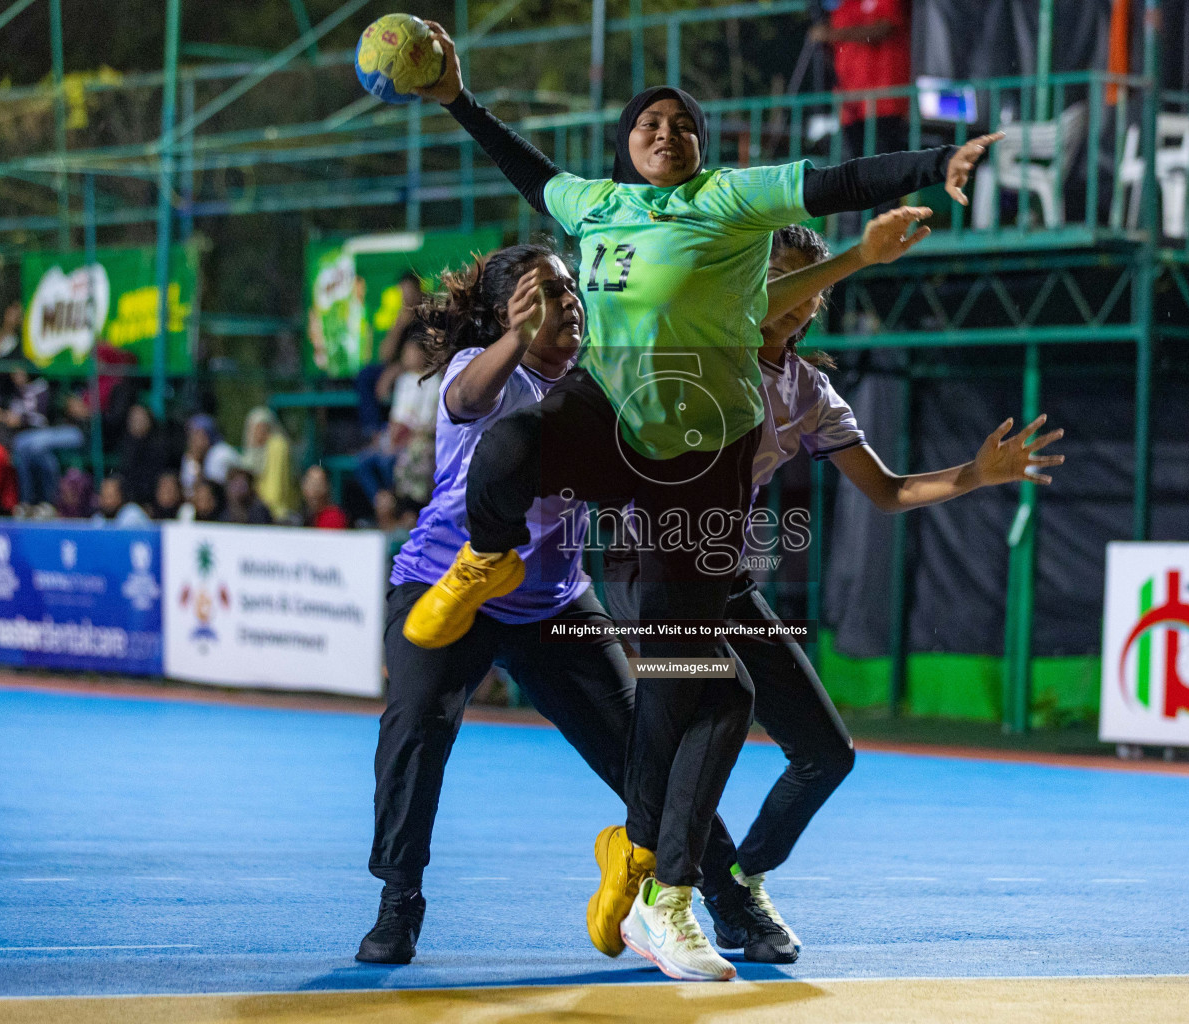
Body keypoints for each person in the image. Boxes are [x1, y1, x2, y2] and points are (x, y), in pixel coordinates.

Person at [402, 22, 999, 982]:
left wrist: (935, 163)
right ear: (625, 144)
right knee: (512, 441)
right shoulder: (593, 207)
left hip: (702, 462)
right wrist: (456, 99)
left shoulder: (730, 203)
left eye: (683, 123)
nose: (666, 130)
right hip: (615, 425)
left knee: (700, 689)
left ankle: (652, 875)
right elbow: (527, 166)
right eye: (650, 121)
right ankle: (485, 560)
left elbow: (837, 180)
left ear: (701, 145)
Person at [602, 214, 1065, 957]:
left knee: (826, 750)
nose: (792, 298)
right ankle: (667, 896)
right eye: (774, 279)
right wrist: (855, 256)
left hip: (722, 578)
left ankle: (738, 882)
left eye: (804, 290)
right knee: (718, 712)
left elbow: (885, 491)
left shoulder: (809, 391)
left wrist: (976, 474)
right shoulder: (705, 347)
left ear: (819, 306)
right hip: (647, 565)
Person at [357, 245, 774, 971]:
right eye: (545, 292)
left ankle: (726, 899)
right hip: (446, 587)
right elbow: (465, 403)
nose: (570, 301)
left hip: (553, 603)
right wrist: (516, 336)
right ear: (503, 315)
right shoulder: (478, 369)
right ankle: (399, 901)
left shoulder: (603, 385)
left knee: (652, 747)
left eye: (571, 288)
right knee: (416, 726)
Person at [809, 0, 912, 161]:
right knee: (856, 166)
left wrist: (832, 34)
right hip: (850, 102)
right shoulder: (843, 5)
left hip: (884, 100)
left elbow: (884, 28)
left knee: (885, 162)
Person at [355, 332, 440, 506]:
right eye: (405, 352)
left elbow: (426, 420)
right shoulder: (403, 380)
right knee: (363, 462)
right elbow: (396, 415)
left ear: (423, 353)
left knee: (389, 463)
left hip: (416, 440)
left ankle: (396, 505)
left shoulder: (433, 381)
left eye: (411, 352)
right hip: (394, 438)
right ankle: (382, 503)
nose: (406, 356)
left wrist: (404, 434)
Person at [356, 271, 425, 441]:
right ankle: (374, 434)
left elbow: (421, 359)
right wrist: (399, 325)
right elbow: (384, 356)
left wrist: (394, 371)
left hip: (417, 371)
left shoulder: (427, 320)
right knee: (365, 376)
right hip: (397, 368)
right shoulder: (401, 319)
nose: (406, 299)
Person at [10, 387, 90, 508]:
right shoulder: (59, 407)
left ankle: (32, 501)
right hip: (57, 434)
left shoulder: (89, 397)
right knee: (38, 454)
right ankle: (38, 504)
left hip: (78, 433)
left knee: (30, 444)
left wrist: (84, 412)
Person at [240, 407, 296, 520]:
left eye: (263, 428)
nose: (259, 433)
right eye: (255, 428)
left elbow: (277, 489)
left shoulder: (278, 445)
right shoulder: (251, 453)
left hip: (277, 512)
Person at [116, 404, 171, 506]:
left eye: (141, 418)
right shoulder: (126, 447)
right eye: (134, 419)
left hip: (154, 504)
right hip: (130, 503)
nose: (138, 422)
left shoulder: (159, 447)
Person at [180, 413, 238, 491]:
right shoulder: (190, 457)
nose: (192, 439)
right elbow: (188, 489)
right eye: (191, 435)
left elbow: (212, 489)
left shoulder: (221, 452)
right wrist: (196, 463)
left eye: (197, 434)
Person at [301, 464, 349, 529]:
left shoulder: (333, 517)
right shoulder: (303, 516)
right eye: (311, 482)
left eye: (318, 483)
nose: (315, 488)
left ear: (327, 486)